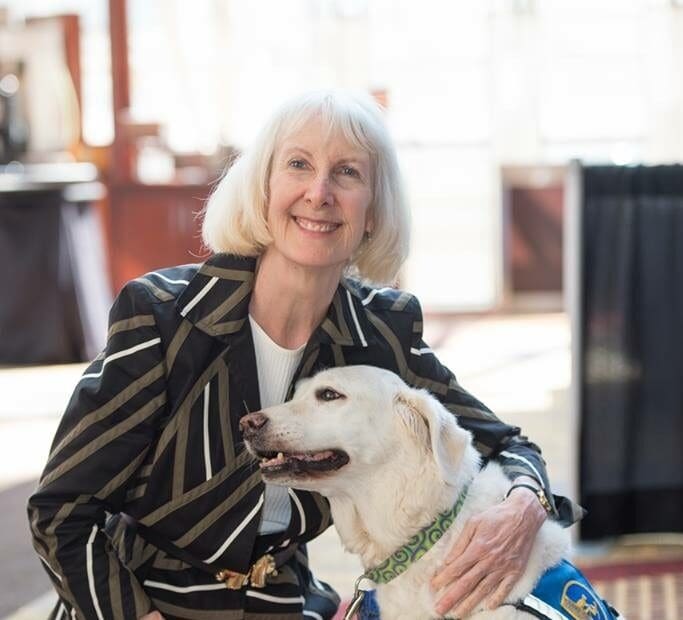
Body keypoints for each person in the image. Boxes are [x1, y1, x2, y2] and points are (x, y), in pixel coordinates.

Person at [28, 90, 582, 620]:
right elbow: (62, 511)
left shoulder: (380, 334)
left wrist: (524, 507)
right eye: (298, 164)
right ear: (262, 187)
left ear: (372, 211)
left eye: (347, 172)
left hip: (285, 605)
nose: (320, 193)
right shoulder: (161, 318)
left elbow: (507, 443)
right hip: (143, 605)